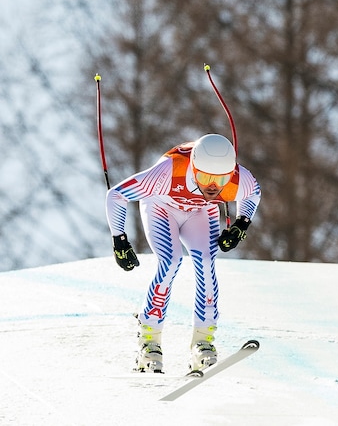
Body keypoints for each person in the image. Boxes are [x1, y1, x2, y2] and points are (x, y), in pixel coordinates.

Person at [105, 133, 261, 373]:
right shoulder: (168, 171)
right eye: (205, 177)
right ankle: (149, 340)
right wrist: (120, 240)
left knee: (207, 263)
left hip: (200, 212)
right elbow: (116, 194)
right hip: (161, 207)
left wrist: (242, 223)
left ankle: (203, 340)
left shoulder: (238, 180)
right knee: (170, 261)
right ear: (194, 167)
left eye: (220, 180)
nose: (212, 186)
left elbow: (253, 193)